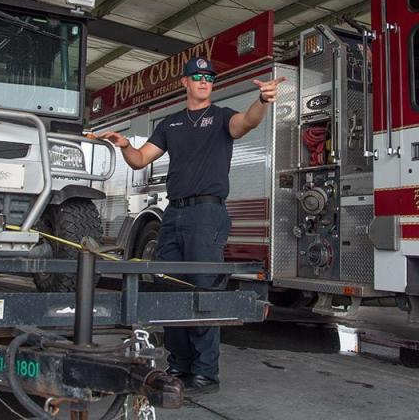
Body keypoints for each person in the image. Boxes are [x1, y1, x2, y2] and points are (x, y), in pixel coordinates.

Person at [97, 56, 284, 396]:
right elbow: (140, 159)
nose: (203, 81)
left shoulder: (221, 117)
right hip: (173, 215)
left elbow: (248, 124)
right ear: (184, 82)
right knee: (171, 290)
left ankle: (205, 373)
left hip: (206, 215)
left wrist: (262, 101)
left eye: (209, 78)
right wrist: (124, 145)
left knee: (202, 293)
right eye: (197, 76)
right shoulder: (170, 124)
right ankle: (178, 365)